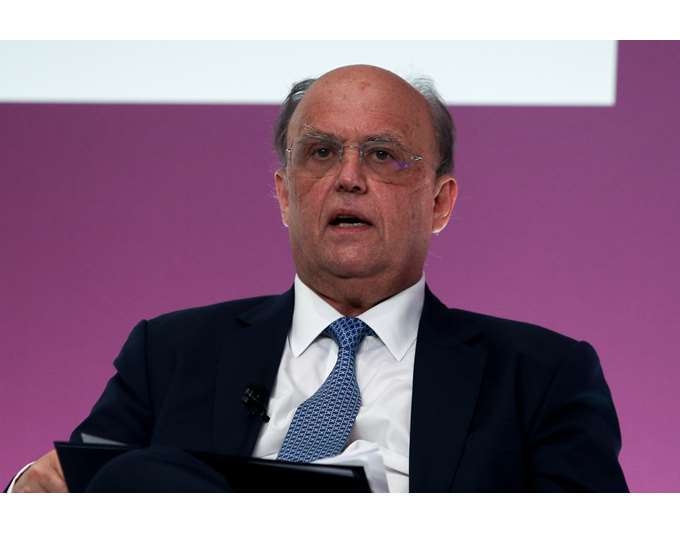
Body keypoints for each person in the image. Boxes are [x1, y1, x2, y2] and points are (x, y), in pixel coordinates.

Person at [9, 64, 628, 492]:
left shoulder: (541, 377)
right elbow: (66, 488)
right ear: (285, 195)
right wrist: (24, 495)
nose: (349, 178)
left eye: (383, 155)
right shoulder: (170, 354)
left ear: (440, 202)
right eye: (322, 152)